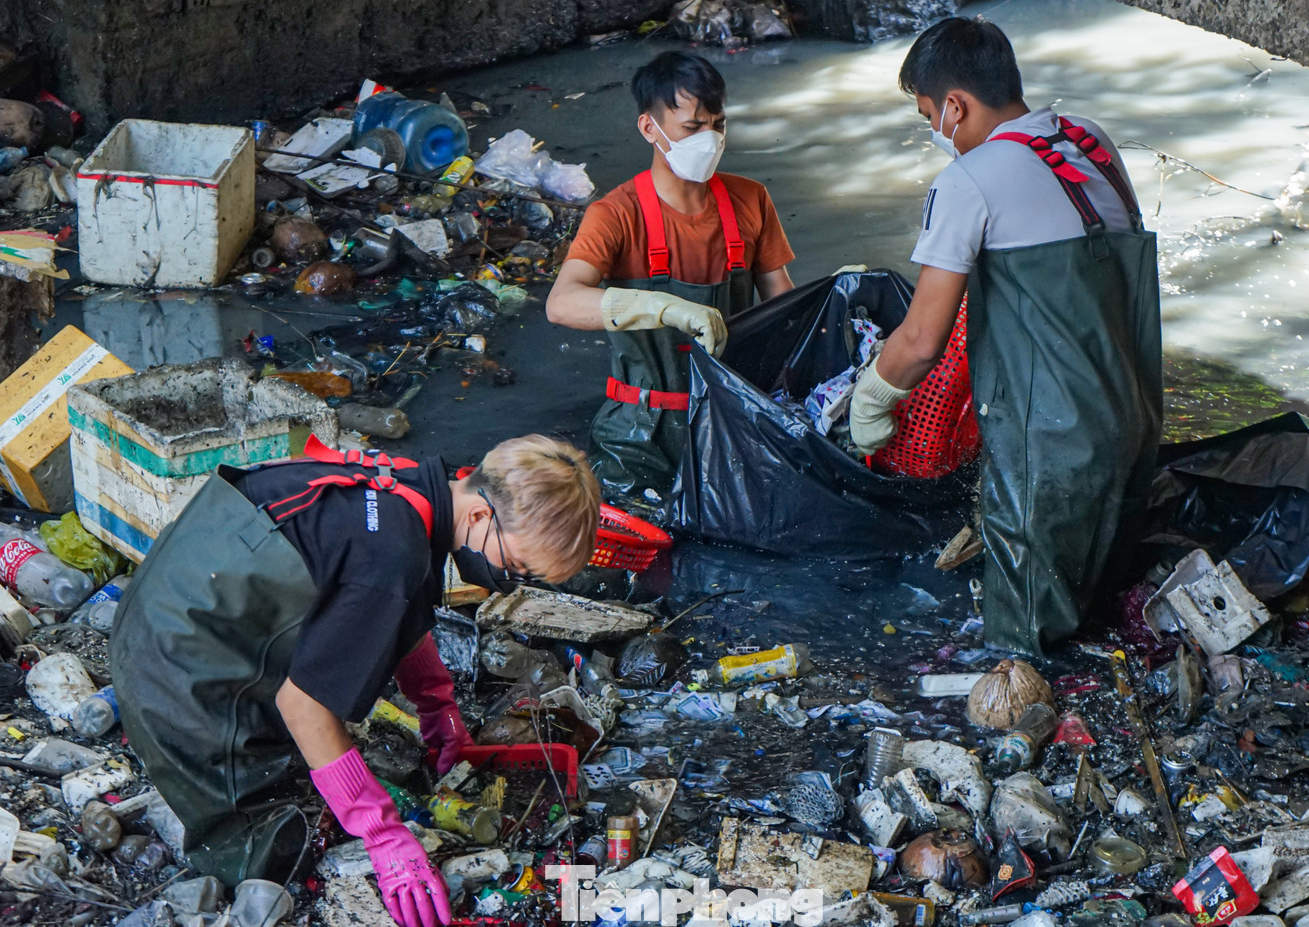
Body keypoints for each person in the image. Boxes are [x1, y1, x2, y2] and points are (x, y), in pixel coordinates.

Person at [110, 434, 600, 927]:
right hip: (172, 678)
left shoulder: (409, 483)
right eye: (515, 565)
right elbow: (304, 706)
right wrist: (383, 834)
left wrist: (437, 708)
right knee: (282, 848)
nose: (507, 579)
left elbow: (396, 607)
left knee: (333, 731)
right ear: (479, 516)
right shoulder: (391, 551)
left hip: (162, 612)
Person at [849, 17, 1162, 656]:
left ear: (955, 106)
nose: (933, 127)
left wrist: (871, 398)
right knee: (1098, 603)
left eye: (927, 113)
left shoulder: (970, 180)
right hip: (1134, 416)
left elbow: (921, 341)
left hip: (1049, 447)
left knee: (1020, 644)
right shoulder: (1090, 141)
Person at [547, 51, 797, 499]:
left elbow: (786, 311)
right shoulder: (615, 214)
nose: (711, 138)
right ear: (650, 128)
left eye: (718, 124)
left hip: (730, 419)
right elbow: (561, 303)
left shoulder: (751, 200)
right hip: (639, 430)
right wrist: (660, 307)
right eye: (693, 127)